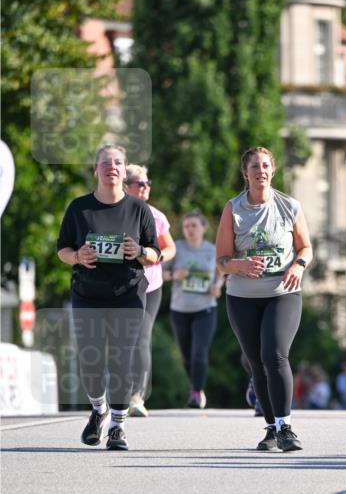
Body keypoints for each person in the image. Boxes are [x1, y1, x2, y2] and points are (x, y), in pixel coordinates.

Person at [56, 144, 160, 451]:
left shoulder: (139, 209)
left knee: (121, 361)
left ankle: (117, 426)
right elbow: (62, 249)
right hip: (87, 294)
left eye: (117, 163)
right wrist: (77, 256)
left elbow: (155, 253)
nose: (111, 167)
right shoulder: (79, 208)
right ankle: (98, 410)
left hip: (127, 293)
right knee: (90, 361)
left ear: (124, 170)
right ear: (95, 170)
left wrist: (139, 252)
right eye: (105, 162)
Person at [215, 146, 312, 451]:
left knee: (275, 353)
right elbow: (221, 261)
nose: (261, 171)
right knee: (256, 363)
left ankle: (286, 427)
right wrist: (239, 265)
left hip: (282, 292)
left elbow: (305, 247)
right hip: (242, 296)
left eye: (266, 166)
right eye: (254, 167)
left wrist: (298, 265)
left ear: (274, 170)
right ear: (245, 173)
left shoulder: (289, 206)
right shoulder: (234, 208)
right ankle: (271, 429)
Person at [123, 164, 176, 417]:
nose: (145, 187)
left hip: (151, 285)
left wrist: (157, 256)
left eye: (148, 183)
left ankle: (136, 396)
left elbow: (170, 247)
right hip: (121, 284)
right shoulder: (115, 213)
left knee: (142, 335)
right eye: (140, 183)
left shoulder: (157, 216)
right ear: (126, 186)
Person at [164, 209, 222, 409]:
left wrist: (217, 286)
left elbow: (220, 272)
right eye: (186, 226)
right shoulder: (176, 248)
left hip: (205, 309)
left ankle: (197, 393)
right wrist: (174, 275)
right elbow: (159, 274)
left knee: (199, 352)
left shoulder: (212, 250)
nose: (190, 230)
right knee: (187, 357)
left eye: (194, 225)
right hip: (179, 309)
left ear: (203, 228)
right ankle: (194, 387)